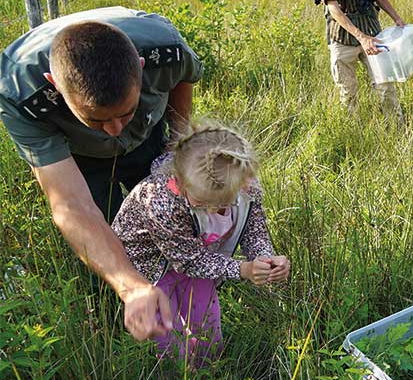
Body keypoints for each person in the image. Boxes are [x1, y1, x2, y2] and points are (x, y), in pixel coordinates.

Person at [0, 6, 203, 341]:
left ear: (140, 68)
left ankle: (182, 300)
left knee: (168, 219)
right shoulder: (20, 93)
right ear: (55, 86)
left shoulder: (166, 49)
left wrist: (178, 140)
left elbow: (182, 78)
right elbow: (72, 206)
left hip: (147, 136)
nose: (113, 130)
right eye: (96, 119)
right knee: (103, 238)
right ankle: (114, 322)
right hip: (79, 157)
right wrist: (131, 288)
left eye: (125, 112)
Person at [112, 122, 290, 365]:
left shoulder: (244, 186)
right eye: (204, 202)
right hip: (151, 270)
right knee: (166, 334)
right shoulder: (162, 202)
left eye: (226, 202)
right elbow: (189, 260)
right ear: (180, 182)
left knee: (207, 326)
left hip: (199, 261)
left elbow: (252, 228)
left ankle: (206, 375)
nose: (215, 210)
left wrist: (265, 258)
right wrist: (242, 269)